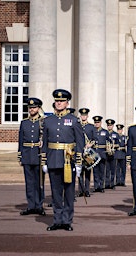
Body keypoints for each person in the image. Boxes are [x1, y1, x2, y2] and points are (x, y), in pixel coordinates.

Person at [42, 89, 84, 231]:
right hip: (53, 160)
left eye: (62, 101)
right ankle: (57, 220)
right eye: (57, 101)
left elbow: (80, 142)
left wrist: (78, 161)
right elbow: (45, 142)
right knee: (56, 193)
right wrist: (44, 161)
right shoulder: (48, 121)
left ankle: (67, 220)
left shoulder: (74, 120)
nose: (59, 103)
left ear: (67, 103)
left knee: (69, 192)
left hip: (68, 161)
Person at [18, 97, 46, 216]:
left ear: (39, 108)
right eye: (30, 108)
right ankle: (31, 206)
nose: (31, 109)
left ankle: (39, 206)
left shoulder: (43, 122)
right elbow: (20, 140)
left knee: (39, 182)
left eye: (34, 107)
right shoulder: (24, 123)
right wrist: (20, 155)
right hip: (27, 155)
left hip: (38, 155)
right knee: (29, 182)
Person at [78, 108, 94, 197]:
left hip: (88, 152)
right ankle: (81, 190)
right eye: (82, 115)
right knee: (79, 172)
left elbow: (95, 139)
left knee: (88, 171)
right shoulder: (77, 125)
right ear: (80, 116)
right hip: (80, 151)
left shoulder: (91, 127)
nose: (83, 116)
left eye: (85, 115)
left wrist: (90, 144)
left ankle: (87, 190)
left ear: (87, 116)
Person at [92, 116, 110, 193]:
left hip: (102, 153)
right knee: (95, 171)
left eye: (98, 122)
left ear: (101, 123)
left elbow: (109, 141)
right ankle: (96, 186)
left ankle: (101, 186)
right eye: (95, 122)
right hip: (94, 153)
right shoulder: (92, 131)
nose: (97, 124)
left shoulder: (105, 132)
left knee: (102, 171)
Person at [105, 119, 118, 189]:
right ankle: (107, 184)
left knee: (113, 170)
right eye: (108, 125)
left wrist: (113, 146)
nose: (109, 127)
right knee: (107, 170)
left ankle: (112, 184)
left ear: (113, 126)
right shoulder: (105, 133)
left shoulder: (115, 134)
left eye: (111, 125)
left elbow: (118, 144)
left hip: (113, 154)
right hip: (106, 154)